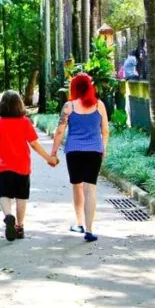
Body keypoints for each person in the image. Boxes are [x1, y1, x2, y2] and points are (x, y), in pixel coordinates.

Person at [0, 91, 59, 241]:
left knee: (4, 194)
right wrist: (49, 158)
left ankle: (8, 216)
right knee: (21, 197)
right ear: (19, 105)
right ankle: (19, 227)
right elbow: (34, 144)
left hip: (5, 167)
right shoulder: (24, 122)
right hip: (22, 166)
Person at [51, 73, 109, 242]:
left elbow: (60, 131)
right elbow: (105, 130)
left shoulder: (69, 106)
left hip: (73, 152)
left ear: (74, 88)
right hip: (94, 151)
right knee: (90, 189)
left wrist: (53, 153)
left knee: (77, 187)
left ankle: (79, 223)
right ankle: (89, 230)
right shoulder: (99, 105)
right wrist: (103, 148)